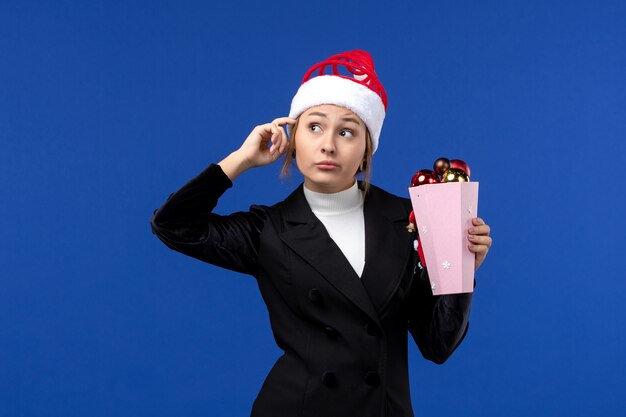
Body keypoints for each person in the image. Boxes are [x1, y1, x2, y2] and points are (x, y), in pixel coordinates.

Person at [150, 50, 492, 417]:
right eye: (314, 127)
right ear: (294, 138)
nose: (328, 144)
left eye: (346, 131)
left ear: (366, 150)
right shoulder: (268, 230)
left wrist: (461, 267)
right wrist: (241, 160)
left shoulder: (407, 218)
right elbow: (172, 224)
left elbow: (437, 345)